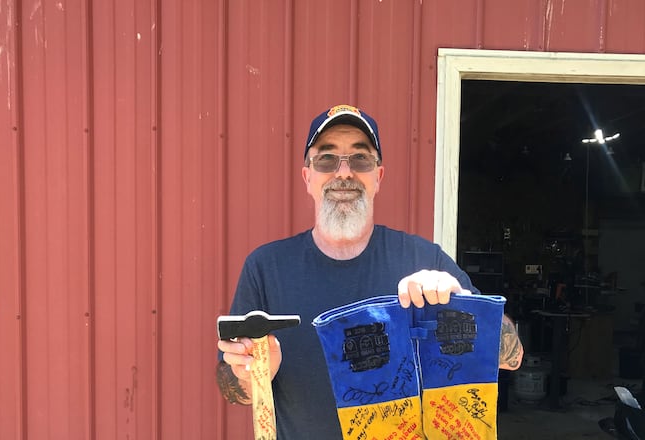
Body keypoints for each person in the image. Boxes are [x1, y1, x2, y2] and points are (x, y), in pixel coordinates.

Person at [216, 104, 523, 438]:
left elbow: (513, 357)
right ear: (308, 177)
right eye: (327, 159)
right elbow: (232, 389)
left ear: (378, 176)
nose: (344, 173)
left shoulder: (424, 259)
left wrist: (461, 308)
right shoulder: (266, 267)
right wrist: (254, 373)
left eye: (360, 159)